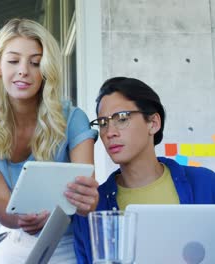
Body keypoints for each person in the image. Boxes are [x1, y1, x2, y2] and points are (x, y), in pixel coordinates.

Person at [0, 18, 99, 264]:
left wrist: (87, 200)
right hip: (15, 244)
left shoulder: (73, 119)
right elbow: (2, 209)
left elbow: (85, 199)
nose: (23, 71)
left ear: (46, 69)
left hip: (68, 244)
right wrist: (20, 220)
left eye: (35, 63)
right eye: (13, 60)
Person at [73, 77, 215, 264]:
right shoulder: (92, 207)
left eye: (121, 118)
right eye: (103, 123)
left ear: (153, 123)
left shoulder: (205, 183)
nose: (109, 132)